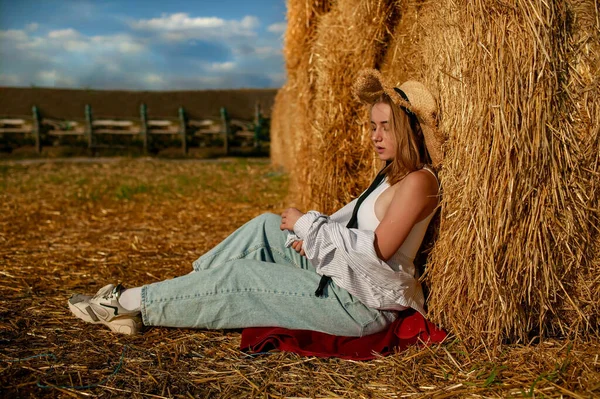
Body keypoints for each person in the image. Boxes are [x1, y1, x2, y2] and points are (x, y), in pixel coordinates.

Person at [68, 69, 444, 337]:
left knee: (242, 276)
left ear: (410, 129)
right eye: (372, 126)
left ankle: (124, 305)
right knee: (267, 226)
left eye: (385, 127)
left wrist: (308, 227)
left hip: (360, 305)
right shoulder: (391, 174)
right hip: (346, 280)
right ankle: (187, 289)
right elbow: (351, 231)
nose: (375, 137)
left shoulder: (418, 182)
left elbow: (377, 251)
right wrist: (311, 234)